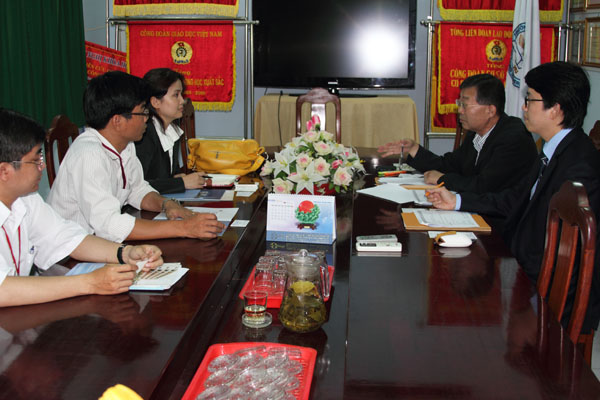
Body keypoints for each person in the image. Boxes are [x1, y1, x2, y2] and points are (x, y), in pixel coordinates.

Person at [426, 61, 600, 332]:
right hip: (525, 268)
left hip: (550, 294)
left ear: (555, 109)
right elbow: (514, 198)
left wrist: (516, 286)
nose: (523, 108)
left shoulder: (578, 165)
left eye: (530, 100)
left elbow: (568, 255)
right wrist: (457, 201)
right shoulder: (553, 150)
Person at [0, 108, 163, 307]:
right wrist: (91, 282)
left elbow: (68, 238)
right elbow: (3, 290)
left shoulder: (26, 200)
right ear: (4, 171)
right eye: (35, 160)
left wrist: (125, 253)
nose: (41, 167)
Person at [47, 71, 225, 243]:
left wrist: (166, 204)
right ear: (117, 121)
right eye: (143, 112)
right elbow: (109, 225)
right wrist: (184, 228)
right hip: (68, 253)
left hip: (96, 243)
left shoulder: (126, 145)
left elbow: (138, 190)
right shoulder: (89, 155)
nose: (147, 119)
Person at [378, 74, 538, 194]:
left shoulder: (513, 138)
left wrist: (441, 179)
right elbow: (449, 165)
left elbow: (484, 186)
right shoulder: (476, 133)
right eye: (459, 103)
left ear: (490, 110)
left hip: (501, 223)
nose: (459, 110)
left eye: (464, 104)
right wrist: (414, 149)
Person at [135, 68, 206, 194]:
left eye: (181, 94)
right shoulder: (144, 134)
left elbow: (166, 176)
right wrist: (181, 183)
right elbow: (138, 186)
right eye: (176, 95)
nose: (182, 101)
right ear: (155, 102)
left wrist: (177, 178)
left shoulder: (171, 130)